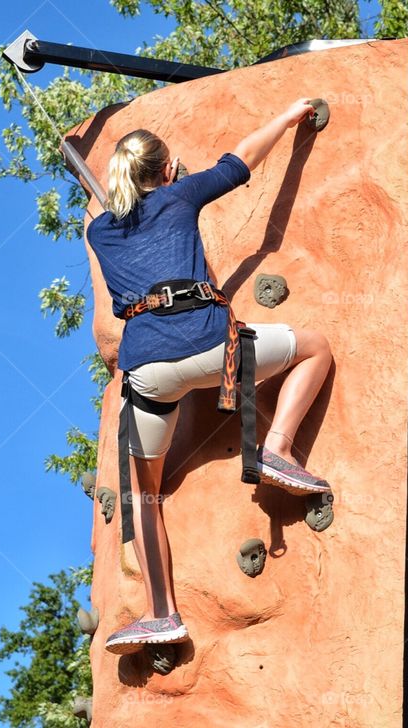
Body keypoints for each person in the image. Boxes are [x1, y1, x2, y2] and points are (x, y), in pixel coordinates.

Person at [84, 98, 333, 654]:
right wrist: (290, 114)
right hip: (213, 353)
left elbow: (113, 218)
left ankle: (160, 613)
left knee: (143, 497)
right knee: (314, 347)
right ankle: (276, 448)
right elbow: (242, 158)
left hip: (148, 374)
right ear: (168, 171)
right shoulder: (180, 194)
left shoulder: (99, 232)